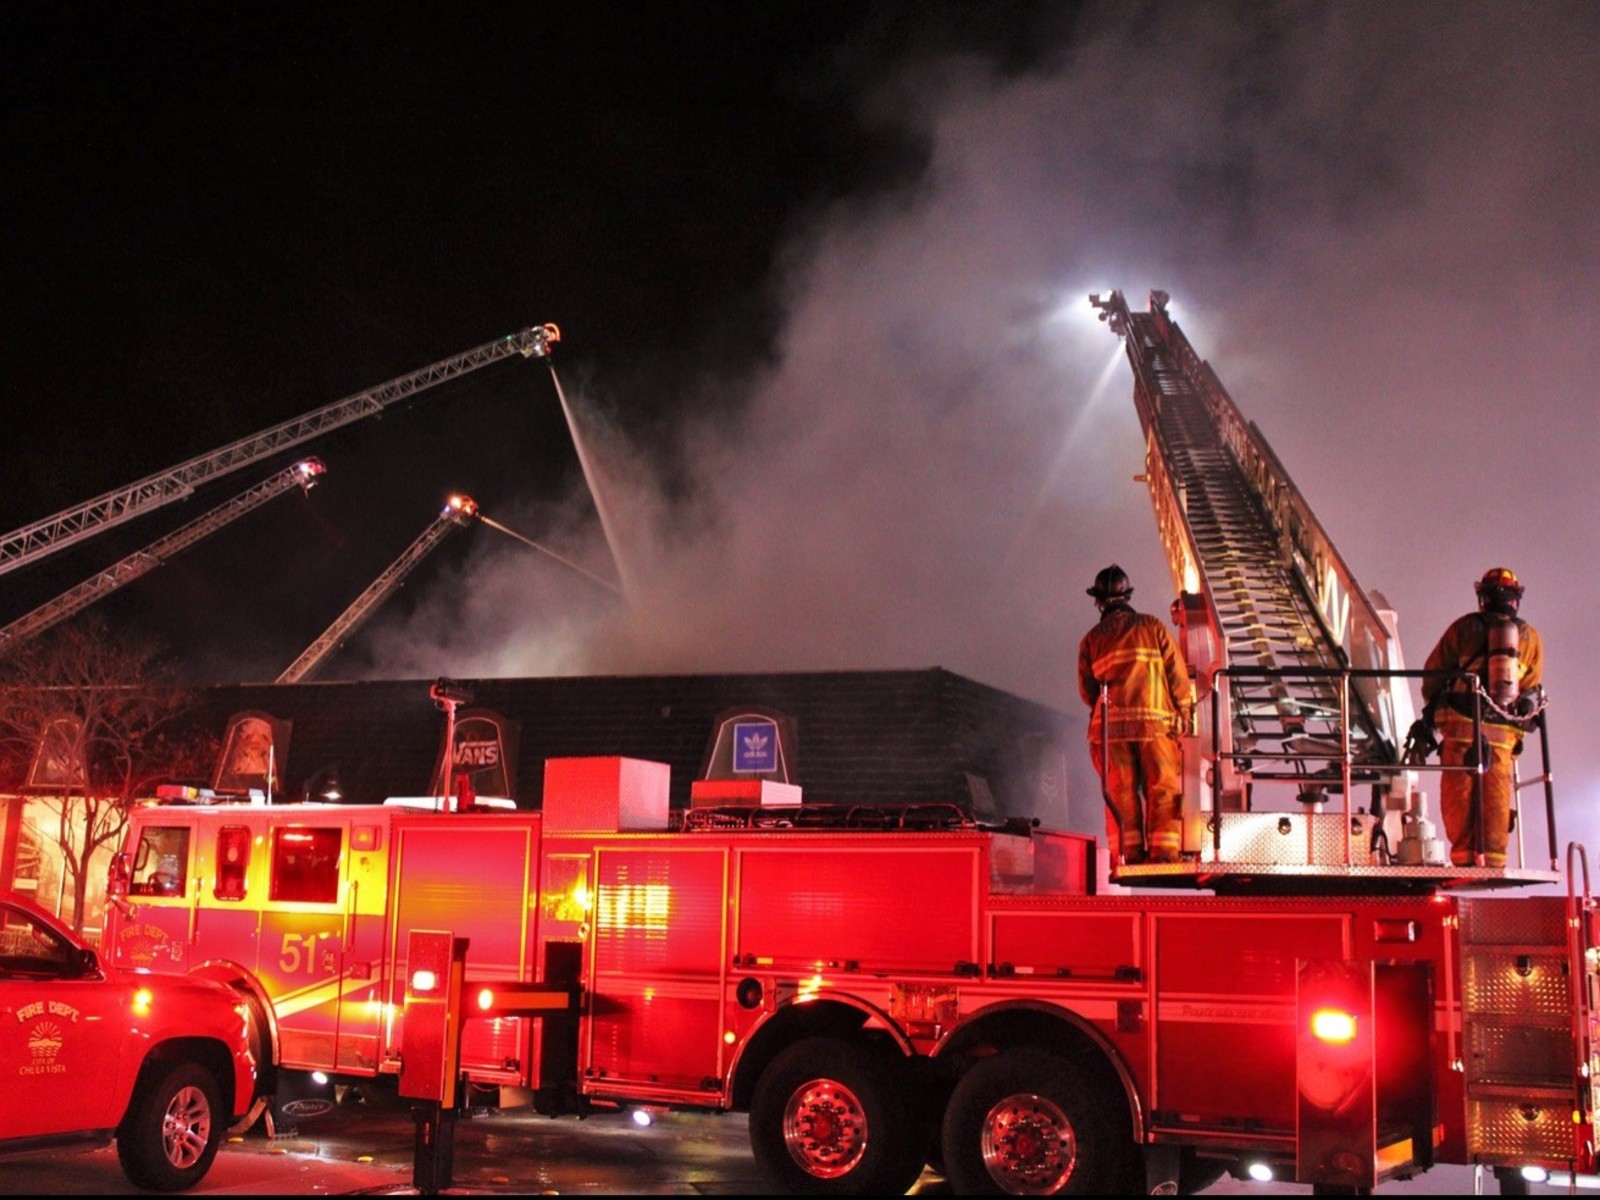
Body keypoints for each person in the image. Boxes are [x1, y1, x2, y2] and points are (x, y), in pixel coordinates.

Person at [1420, 567, 1545, 868]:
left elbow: (1433, 676)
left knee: (1459, 799)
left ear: (1482, 597)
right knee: (1497, 800)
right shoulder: (1530, 639)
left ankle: (1466, 860)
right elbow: (1533, 688)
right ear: (1516, 599)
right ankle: (1493, 862)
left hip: (1462, 729)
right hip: (1503, 738)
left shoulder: (1463, 629)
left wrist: (1431, 715)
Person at [1077, 564, 1196, 865]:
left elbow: (1088, 693)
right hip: (1153, 726)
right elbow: (1177, 675)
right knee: (1162, 787)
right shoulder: (1153, 627)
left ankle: (1128, 853)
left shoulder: (1091, 640)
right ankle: (1164, 853)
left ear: (1098, 601)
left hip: (1110, 733)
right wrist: (1184, 710)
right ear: (1128, 595)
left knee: (1120, 792)